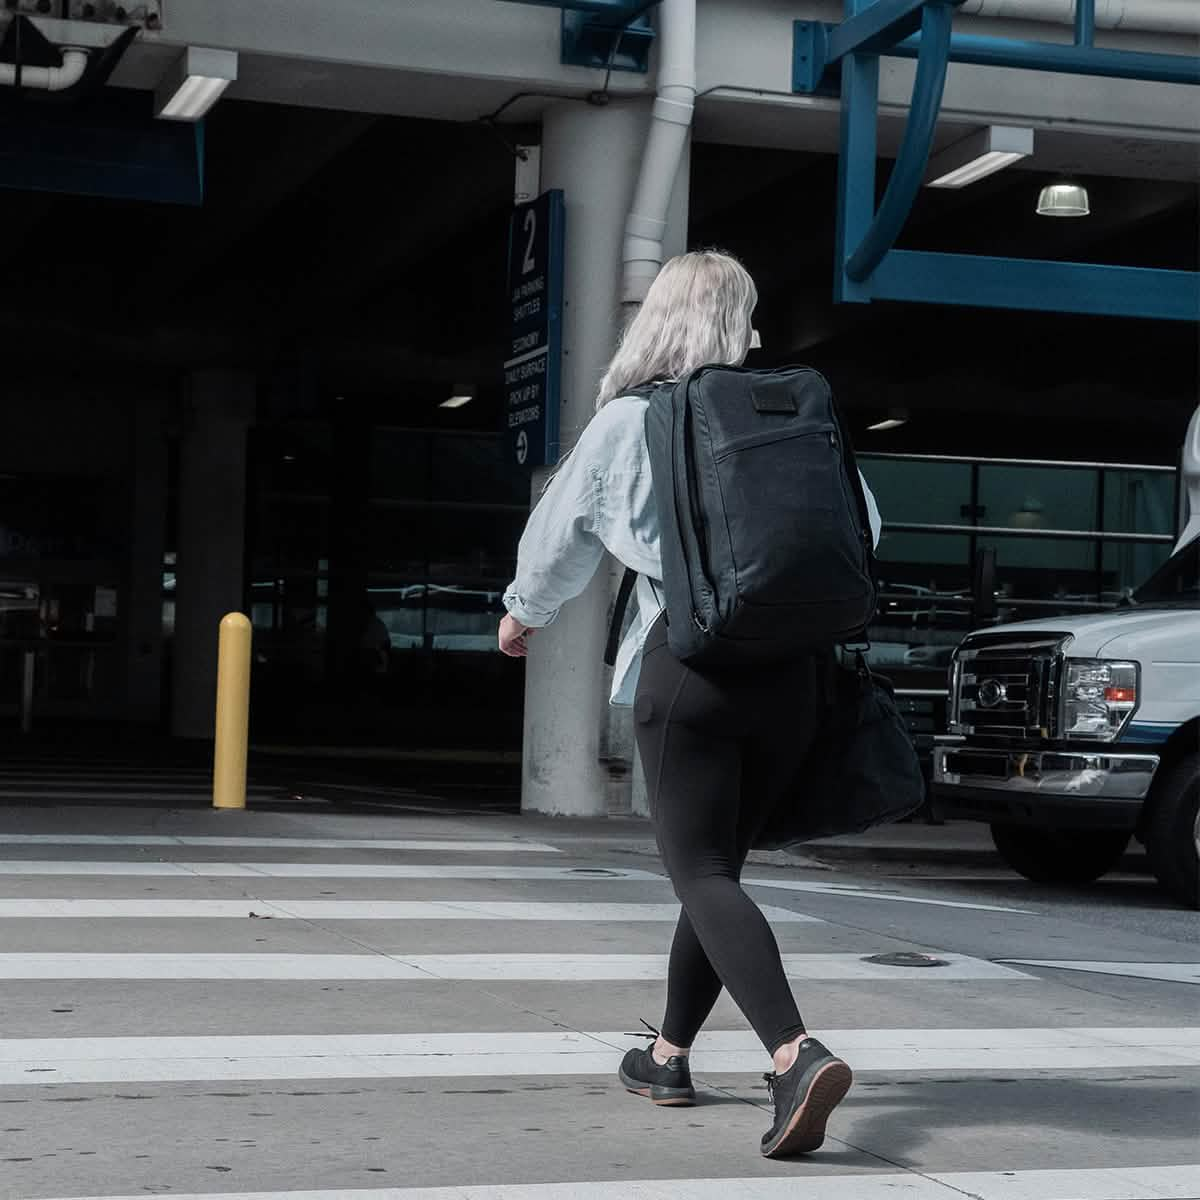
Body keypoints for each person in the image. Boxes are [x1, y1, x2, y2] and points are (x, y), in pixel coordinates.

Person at [498, 250, 881, 1159]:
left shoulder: (632, 419)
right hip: (791, 677)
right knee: (716, 873)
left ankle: (794, 1054)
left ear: (656, 321)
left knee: (700, 872)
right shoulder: (791, 419)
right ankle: (666, 1056)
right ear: (739, 323)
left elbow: (558, 538)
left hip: (693, 670)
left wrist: (523, 614)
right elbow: (865, 528)